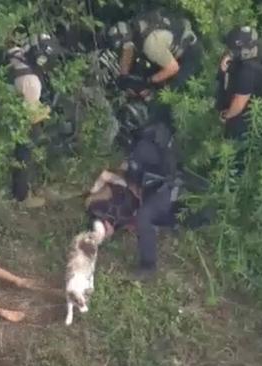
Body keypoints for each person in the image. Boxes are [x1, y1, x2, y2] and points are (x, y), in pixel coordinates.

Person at [90, 122, 181, 281]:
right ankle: (108, 226)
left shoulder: (159, 154)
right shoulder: (139, 149)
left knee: (144, 217)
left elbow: (163, 180)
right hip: (143, 190)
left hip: (164, 191)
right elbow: (131, 175)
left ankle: (148, 266)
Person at [6, 32, 60, 208]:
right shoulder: (32, 82)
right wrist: (47, 111)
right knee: (25, 153)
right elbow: (31, 118)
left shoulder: (15, 54)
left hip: (7, 103)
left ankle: (28, 186)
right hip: (17, 118)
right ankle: (22, 196)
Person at [105, 8, 202, 97]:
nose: (124, 52)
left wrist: (149, 82)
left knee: (164, 99)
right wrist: (124, 77)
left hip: (188, 55)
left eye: (124, 48)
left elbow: (173, 68)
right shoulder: (138, 26)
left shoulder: (150, 45)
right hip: (170, 49)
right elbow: (128, 54)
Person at [215, 26, 262, 141]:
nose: (229, 52)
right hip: (244, 94)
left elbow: (239, 102)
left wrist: (226, 116)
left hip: (249, 111)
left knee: (236, 133)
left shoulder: (249, 70)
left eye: (232, 50)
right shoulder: (258, 50)